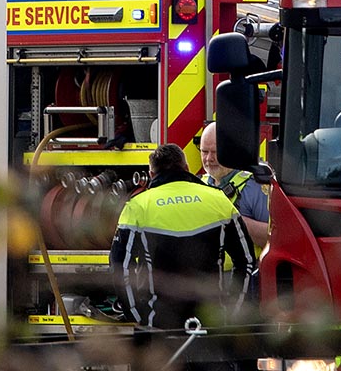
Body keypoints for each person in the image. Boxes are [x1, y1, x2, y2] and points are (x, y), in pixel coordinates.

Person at [110, 143, 258, 330]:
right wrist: (233, 311)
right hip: (212, 322)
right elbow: (246, 261)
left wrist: (138, 315)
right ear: (186, 168)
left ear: (152, 175)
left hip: (158, 323)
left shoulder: (137, 206)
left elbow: (120, 267)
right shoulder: (219, 200)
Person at [198, 121, 270, 251]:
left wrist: (234, 221)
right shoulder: (200, 184)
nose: (208, 158)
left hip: (244, 270)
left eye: (215, 152)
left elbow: (272, 238)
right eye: (204, 151)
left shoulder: (255, 186)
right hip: (208, 271)